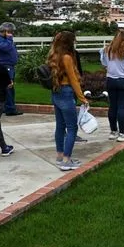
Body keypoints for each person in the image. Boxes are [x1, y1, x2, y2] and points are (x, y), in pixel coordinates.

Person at [48, 31, 89, 171]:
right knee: (72, 128)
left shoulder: (53, 55)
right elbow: (73, 80)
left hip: (56, 93)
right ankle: (66, 160)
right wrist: (82, 98)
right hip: (66, 93)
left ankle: (60, 156)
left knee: (60, 126)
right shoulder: (67, 57)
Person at [0, 22, 22, 116]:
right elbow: (7, 48)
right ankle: (10, 109)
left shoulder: (6, 39)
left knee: (7, 88)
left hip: (8, 66)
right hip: (4, 66)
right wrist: (9, 38)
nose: (12, 33)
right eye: (11, 31)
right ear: (6, 31)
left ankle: (5, 107)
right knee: (9, 87)